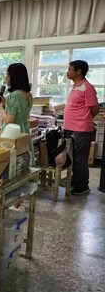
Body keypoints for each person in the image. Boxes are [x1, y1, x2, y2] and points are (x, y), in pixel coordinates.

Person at [62, 60, 99, 196]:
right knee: (72, 158)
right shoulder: (76, 86)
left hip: (81, 129)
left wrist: (85, 120)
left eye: (70, 69)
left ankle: (82, 186)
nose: (68, 71)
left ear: (79, 71)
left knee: (80, 160)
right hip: (71, 128)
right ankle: (75, 181)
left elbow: (95, 108)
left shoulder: (87, 87)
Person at [0, 63, 34, 162]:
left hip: (12, 132)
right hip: (23, 129)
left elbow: (9, 120)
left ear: (13, 77)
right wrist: (6, 102)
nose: (6, 78)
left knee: (12, 162)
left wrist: (0, 109)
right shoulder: (28, 94)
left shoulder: (14, 95)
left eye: (7, 75)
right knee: (24, 160)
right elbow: (20, 110)